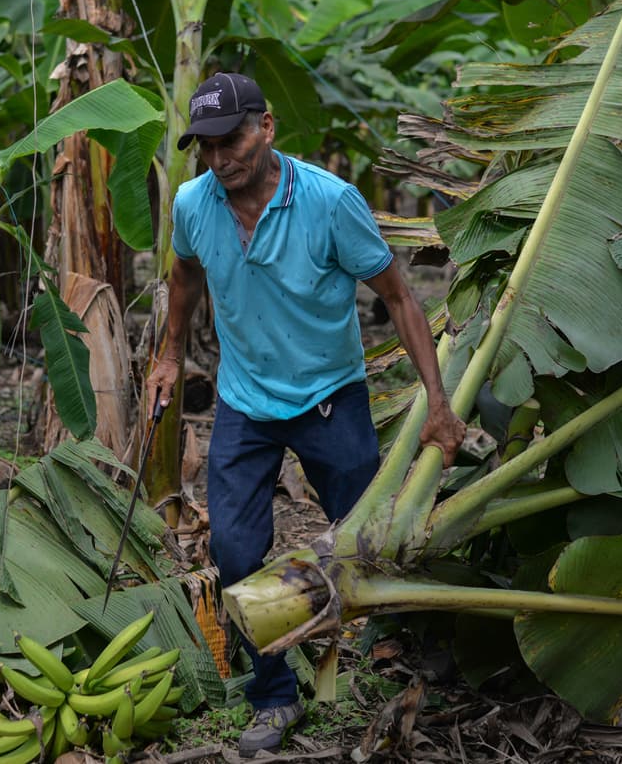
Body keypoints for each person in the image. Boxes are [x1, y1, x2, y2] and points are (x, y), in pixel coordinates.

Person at [147, 72, 465, 758]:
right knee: (233, 551)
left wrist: (438, 404)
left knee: (377, 537)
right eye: (205, 146)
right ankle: (274, 696)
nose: (219, 158)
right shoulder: (194, 203)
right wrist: (169, 356)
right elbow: (183, 278)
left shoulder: (330, 203)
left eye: (230, 139)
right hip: (245, 401)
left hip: (330, 398)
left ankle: (423, 649)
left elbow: (402, 298)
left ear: (266, 128)